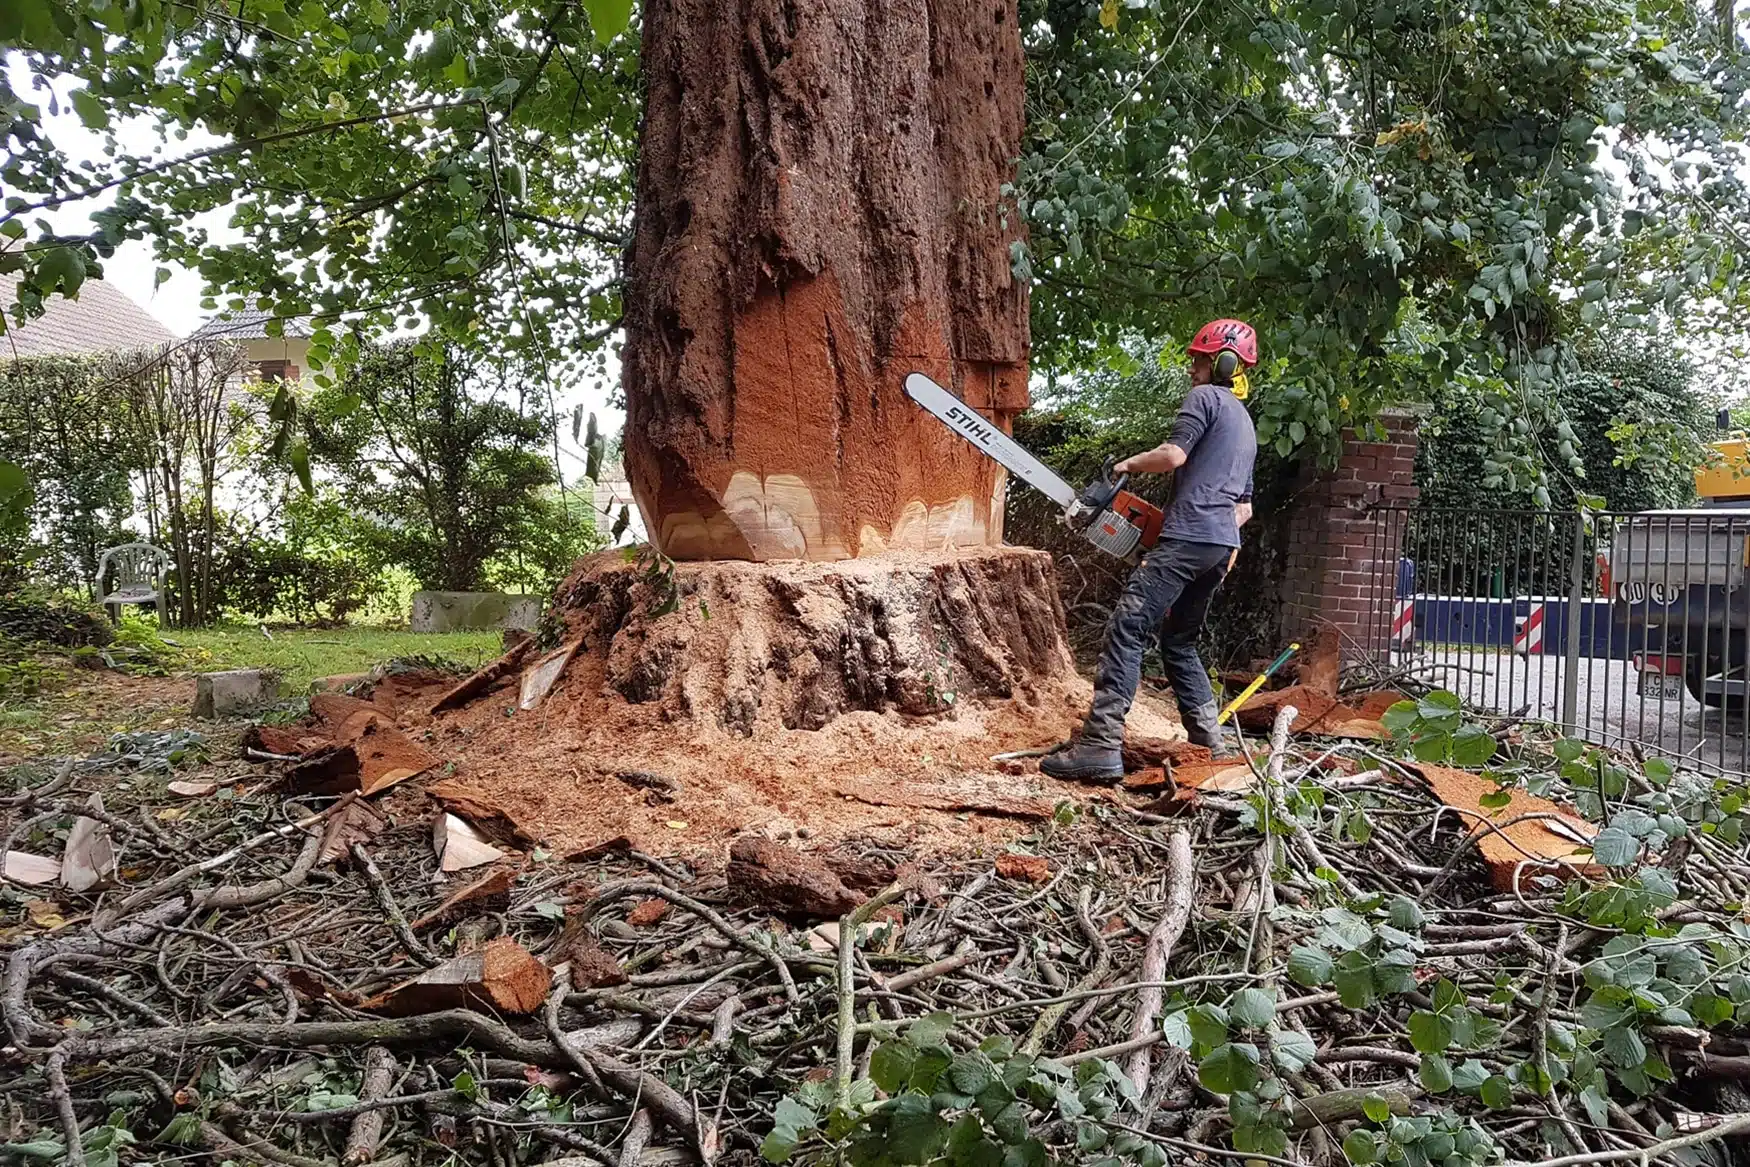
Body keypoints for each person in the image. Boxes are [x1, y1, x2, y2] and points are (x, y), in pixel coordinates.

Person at [1042, 319, 1260, 781]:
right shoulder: (1245, 423)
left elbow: (1174, 455)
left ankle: (1100, 743)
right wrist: (1216, 544)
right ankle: (1211, 743)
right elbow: (1244, 509)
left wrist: (1126, 464)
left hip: (1189, 538)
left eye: (1199, 359)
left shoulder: (1205, 399)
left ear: (1220, 362)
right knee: (1179, 640)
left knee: (1128, 625)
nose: (1192, 369)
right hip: (1220, 545)